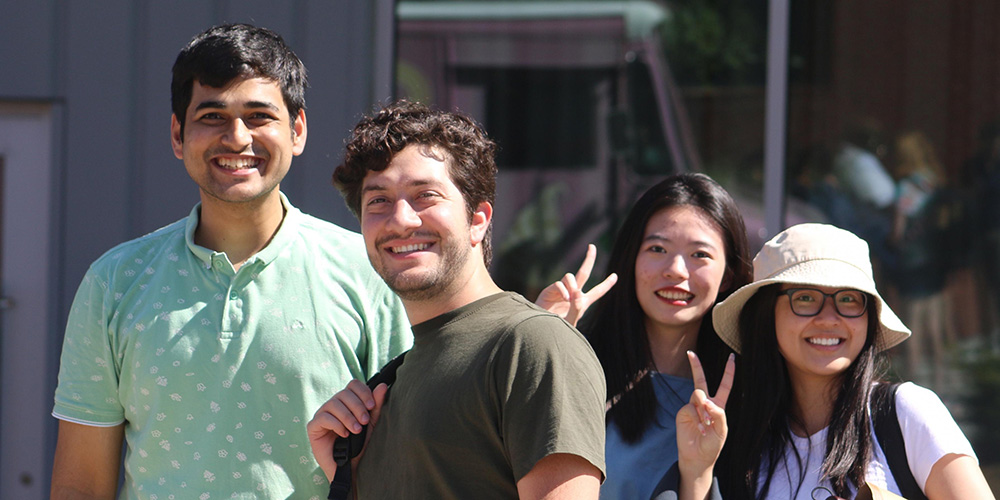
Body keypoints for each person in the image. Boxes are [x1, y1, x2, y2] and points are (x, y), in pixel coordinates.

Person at [50, 24, 412, 499]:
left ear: (297, 131)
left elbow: (407, 468)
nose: (237, 137)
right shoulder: (115, 281)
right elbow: (81, 485)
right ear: (178, 135)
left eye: (259, 115)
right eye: (213, 115)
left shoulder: (369, 273)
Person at [306, 100, 607, 499]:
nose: (401, 219)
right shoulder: (395, 379)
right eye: (377, 201)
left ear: (477, 219)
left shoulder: (531, 345)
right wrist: (348, 474)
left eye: (425, 195)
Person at [673, 223, 995, 500]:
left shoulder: (906, 414)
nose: (829, 318)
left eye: (848, 299)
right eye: (805, 298)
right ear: (766, 316)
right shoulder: (744, 441)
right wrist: (697, 471)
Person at [535, 173, 753, 500]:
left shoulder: (748, 395)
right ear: (631, 259)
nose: (676, 270)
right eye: (657, 248)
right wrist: (539, 351)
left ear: (728, 276)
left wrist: (698, 476)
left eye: (700, 255)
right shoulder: (582, 372)